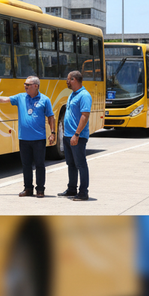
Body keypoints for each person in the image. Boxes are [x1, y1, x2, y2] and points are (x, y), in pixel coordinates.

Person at [0, 76, 56, 197]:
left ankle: (40, 189)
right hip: (24, 138)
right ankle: (28, 189)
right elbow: (5, 100)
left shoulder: (45, 100)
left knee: (39, 165)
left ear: (36, 86)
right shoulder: (20, 97)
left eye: (27, 85)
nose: (25, 87)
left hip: (39, 139)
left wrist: (53, 133)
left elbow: (51, 117)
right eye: (25, 84)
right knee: (26, 165)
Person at [58, 70, 92, 201]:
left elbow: (85, 116)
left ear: (75, 80)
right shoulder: (72, 94)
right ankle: (72, 188)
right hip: (68, 136)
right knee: (71, 164)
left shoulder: (84, 95)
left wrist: (76, 134)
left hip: (77, 136)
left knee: (80, 164)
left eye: (69, 79)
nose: (67, 82)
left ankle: (83, 192)